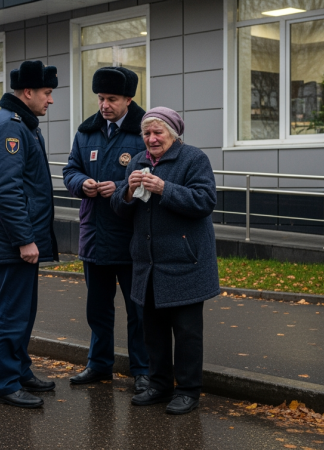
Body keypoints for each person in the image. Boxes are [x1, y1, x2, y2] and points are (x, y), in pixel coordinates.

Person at [110, 107, 219, 415]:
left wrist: (164, 188)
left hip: (185, 263)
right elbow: (119, 206)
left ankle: (187, 390)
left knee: (186, 332)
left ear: (173, 134)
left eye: (158, 132)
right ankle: (159, 385)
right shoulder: (138, 161)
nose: (152, 139)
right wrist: (129, 190)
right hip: (148, 264)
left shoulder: (193, 159)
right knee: (153, 331)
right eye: (147, 133)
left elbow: (205, 201)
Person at [62, 66, 150, 393]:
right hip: (95, 237)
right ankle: (99, 365)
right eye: (100, 98)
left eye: (111, 99)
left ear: (129, 98)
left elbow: (151, 174)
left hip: (130, 238)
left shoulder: (144, 133)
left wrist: (121, 186)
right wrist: (80, 183)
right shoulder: (86, 132)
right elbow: (70, 168)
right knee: (97, 309)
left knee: (137, 310)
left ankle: (143, 370)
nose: (104, 105)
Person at [0, 60, 59, 409]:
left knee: (23, 313)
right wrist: (25, 239)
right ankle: (6, 383)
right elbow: (6, 191)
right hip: (15, 242)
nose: (50, 100)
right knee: (11, 314)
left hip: (22, 239)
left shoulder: (24, 124)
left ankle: (20, 371)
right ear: (27, 92)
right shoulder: (10, 128)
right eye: (46, 93)